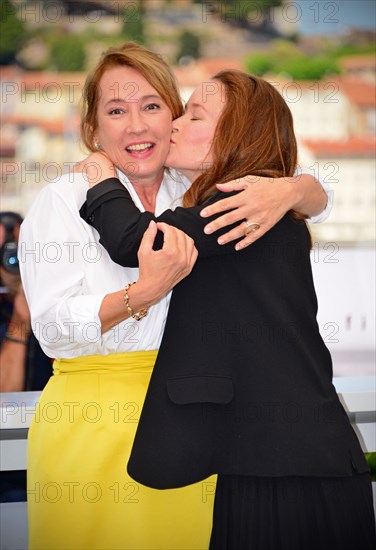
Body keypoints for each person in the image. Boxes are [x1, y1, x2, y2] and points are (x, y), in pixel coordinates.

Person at [20, 42, 330, 550]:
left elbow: (310, 203)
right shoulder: (62, 202)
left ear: (174, 117)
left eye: (151, 106)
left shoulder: (191, 191)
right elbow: (51, 328)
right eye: (116, 111)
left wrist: (297, 189)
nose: (136, 125)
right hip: (92, 424)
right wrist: (141, 294)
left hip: (195, 424)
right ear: (93, 129)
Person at [81, 70, 375, 550]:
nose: (174, 122)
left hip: (283, 467)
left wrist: (98, 178)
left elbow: (135, 241)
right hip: (287, 458)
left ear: (236, 136)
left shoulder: (233, 206)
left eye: (194, 114)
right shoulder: (264, 206)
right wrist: (299, 188)